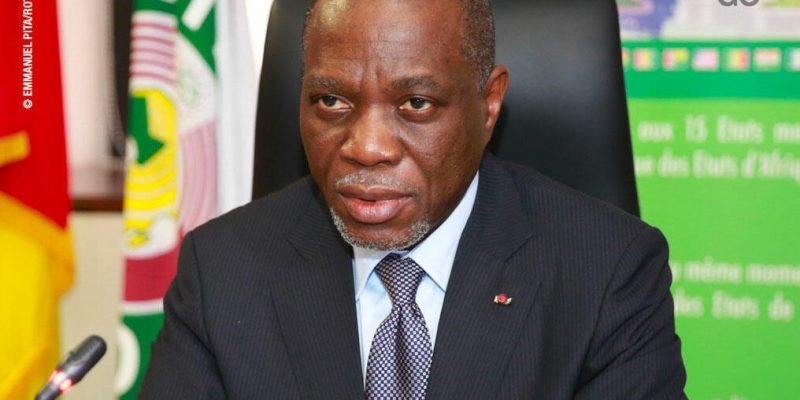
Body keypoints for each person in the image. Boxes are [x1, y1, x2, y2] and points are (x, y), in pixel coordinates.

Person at [140, 0, 687, 398]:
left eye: (416, 104)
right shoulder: (223, 271)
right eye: (330, 101)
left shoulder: (607, 272)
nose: (367, 148)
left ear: (488, 104)